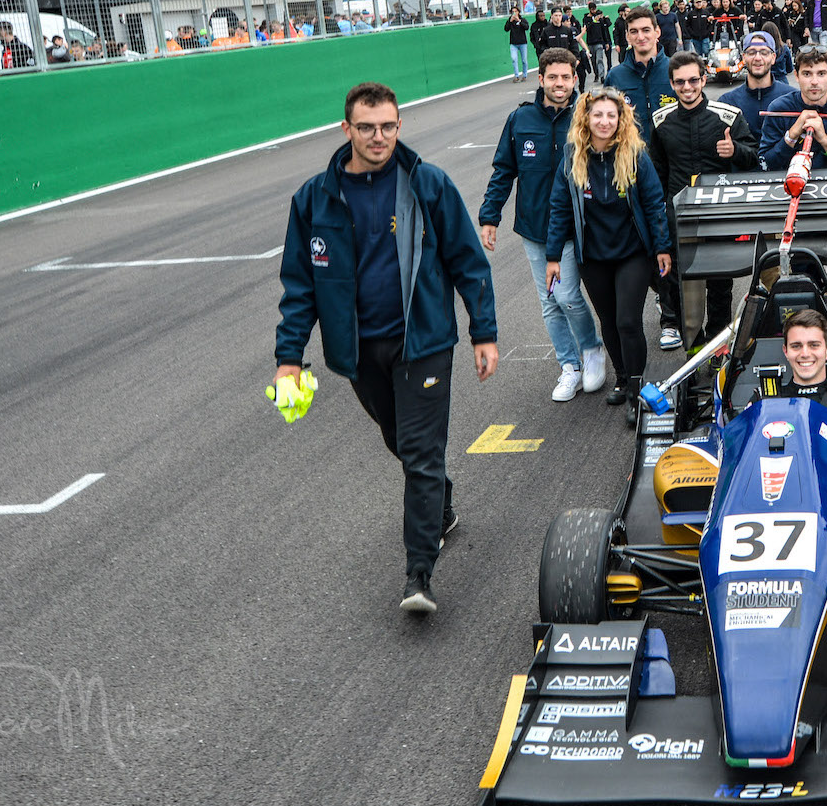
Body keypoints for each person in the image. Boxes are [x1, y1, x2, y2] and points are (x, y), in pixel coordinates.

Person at [274, 82, 499, 614]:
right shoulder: (313, 199)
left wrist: (482, 331)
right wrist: (289, 359)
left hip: (422, 342)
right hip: (357, 352)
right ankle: (439, 499)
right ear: (346, 129)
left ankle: (418, 573)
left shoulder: (427, 185)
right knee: (399, 439)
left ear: (400, 126)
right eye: (368, 128)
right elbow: (299, 284)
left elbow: (469, 261)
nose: (379, 137)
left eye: (389, 127)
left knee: (420, 452)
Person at [480, 47, 607, 402]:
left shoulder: (587, 115)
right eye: (552, 77)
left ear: (575, 78)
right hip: (534, 227)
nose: (560, 83)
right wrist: (490, 217)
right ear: (540, 79)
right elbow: (504, 171)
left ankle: (592, 348)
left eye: (566, 76)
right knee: (549, 301)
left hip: (578, 226)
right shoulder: (519, 120)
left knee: (566, 296)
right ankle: (570, 366)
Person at [545, 87, 675, 405]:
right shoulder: (573, 156)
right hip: (593, 255)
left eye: (611, 115)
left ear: (621, 119)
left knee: (627, 321)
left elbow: (654, 201)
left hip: (633, 252)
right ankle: (621, 377)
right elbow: (559, 207)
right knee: (609, 322)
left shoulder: (634, 154)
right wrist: (552, 256)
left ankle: (636, 389)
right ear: (586, 118)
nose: (604, 121)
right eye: (598, 114)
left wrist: (661, 247)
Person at [649, 51, 759, 350]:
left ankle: (718, 344)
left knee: (720, 285)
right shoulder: (661, 122)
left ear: (704, 78)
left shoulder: (728, 116)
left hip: (718, 214)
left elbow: (753, 157)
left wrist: (734, 150)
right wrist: (658, 218)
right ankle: (692, 344)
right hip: (679, 216)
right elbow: (656, 173)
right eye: (680, 82)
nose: (687, 87)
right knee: (683, 283)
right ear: (671, 84)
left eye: (693, 80)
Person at [760, 48, 827, 171]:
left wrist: (825, 141)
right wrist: (791, 136)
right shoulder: (778, 109)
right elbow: (764, 164)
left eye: (821, 74)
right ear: (796, 76)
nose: (814, 82)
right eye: (807, 74)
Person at [755, 309, 827, 418]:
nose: (805, 354)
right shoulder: (761, 402)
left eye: (814, 345)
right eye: (796, 346)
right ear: (786, 351)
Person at [603, 7, 675, 142]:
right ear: (627, 36)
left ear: (657, 32)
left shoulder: (676, 70)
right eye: (634, 31)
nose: (640, 37)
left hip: (671, 158)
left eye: (646, 30)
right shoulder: (615, 76)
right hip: (631, 158)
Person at [720, 30, 794, 139]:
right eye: (751, 52)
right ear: (744, 58)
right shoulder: (728, 102)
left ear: (773, 57)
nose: (758, 58)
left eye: (764, 52)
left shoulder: (791, 98)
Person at [584, 4, 615, 73]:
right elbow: (587, 29)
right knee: (593, 60)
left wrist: (606, 42)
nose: (594, 11)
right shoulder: (586, 19)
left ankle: (602, 75)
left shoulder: (600, 19)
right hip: (591, 42)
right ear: (589, 9)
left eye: (595, 9)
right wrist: (594, 21)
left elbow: (604, 29)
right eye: (592, 9)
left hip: (600, 42)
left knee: (599, 59)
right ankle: (596, 74)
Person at [504, 5, 531, 82]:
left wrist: (519, 20)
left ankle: (525, 75)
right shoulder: (510, 20)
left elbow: (526, 27)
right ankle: (516, 76)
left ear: (518, 12)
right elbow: (506, 29)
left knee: (524, 60)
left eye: (515, 11)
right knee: (514, 59)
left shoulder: (522, 19)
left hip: (522, 43)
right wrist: (510, 21)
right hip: (513, 43)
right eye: (512, 12)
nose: (514, 13)